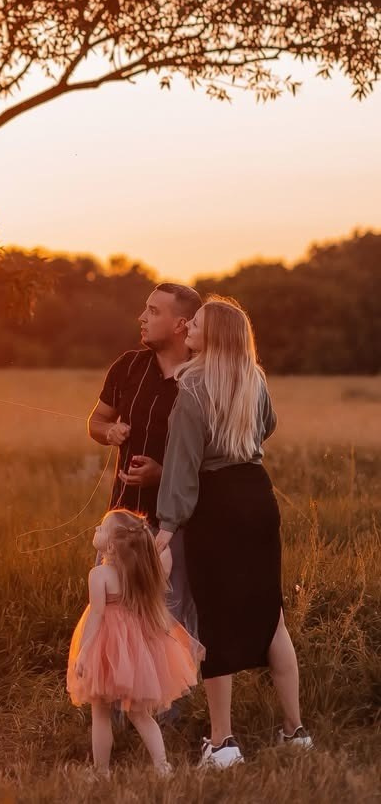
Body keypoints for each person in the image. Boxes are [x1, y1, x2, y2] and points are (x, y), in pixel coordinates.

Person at [155, 296, 312, 768]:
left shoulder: (192, 386)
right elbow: (267, 426)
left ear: (215, 334)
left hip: (216, 501)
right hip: (257, 495)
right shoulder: (255, 379)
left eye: (197, 324)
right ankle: (296, 731)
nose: (189, 330)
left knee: (215, 620)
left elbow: (182, 466)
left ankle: (222, 743)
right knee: (272, 616)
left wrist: (166, 528)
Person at [87, 282, 201, 631]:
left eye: (153, 311)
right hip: (122, 525)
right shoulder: (128, 366)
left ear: (181, 324)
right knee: (117, 623)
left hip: (179, 524)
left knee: (171, 622)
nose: (142, 317)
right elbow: (96, 421)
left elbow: (215, 456)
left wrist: (163, 475)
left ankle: (175, 688)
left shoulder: (202, 377)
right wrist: (110, 432)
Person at [67, 509, 203, 777]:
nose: (95, 529)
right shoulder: (138, 573)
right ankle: (163, 766)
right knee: (141, 714)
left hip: (105, 646)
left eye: (101, 528)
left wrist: (84, 651)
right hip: (136, 648)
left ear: (109, 545)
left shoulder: (99, 575)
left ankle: (102, 771)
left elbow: (96, 615)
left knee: (101, 713)